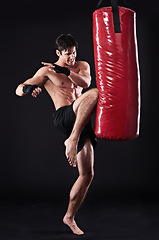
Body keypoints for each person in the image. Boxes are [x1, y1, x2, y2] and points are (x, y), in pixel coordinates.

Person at [15, 34, 99, 235]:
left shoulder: (81, 66)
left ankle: (69, 217)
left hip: (82, 122)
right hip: (64, 117)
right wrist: (28, 89)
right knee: (96, 94)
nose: (72, 57)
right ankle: (72, 139)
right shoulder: (47, 71)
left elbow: (86, 82)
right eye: (68, 54)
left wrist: (67, 71)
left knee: (87, 174)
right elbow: (18, 89)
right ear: (58, 53)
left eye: (74, 53)